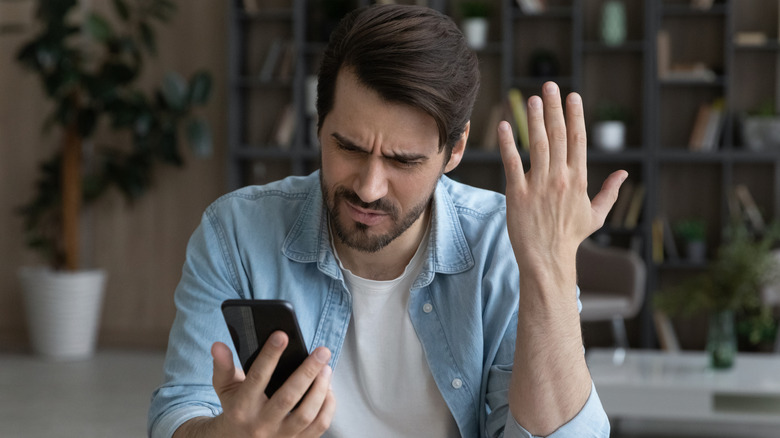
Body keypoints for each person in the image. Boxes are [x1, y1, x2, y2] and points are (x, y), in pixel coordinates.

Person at [148, 4, 624, 438]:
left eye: (404, 161)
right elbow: (180, 410)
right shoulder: (235, 231)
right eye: (349, 147)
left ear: (455, 150)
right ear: (319, 124)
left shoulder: (504, 245)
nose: (369, 188)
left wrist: (550, 268)